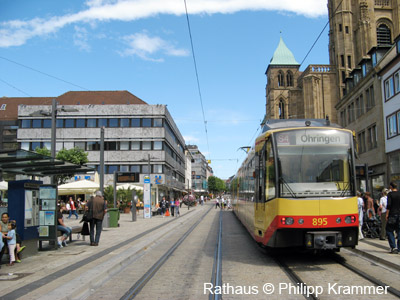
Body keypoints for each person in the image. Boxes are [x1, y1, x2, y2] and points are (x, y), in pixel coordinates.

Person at [386, 182, 400, 254]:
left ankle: (393, 247)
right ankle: (399, 247)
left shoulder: (390, 194)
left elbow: (389, 205)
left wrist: (387, 214)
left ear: (391, 187)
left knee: (389, 230)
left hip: (392, 214)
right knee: (399, 230)